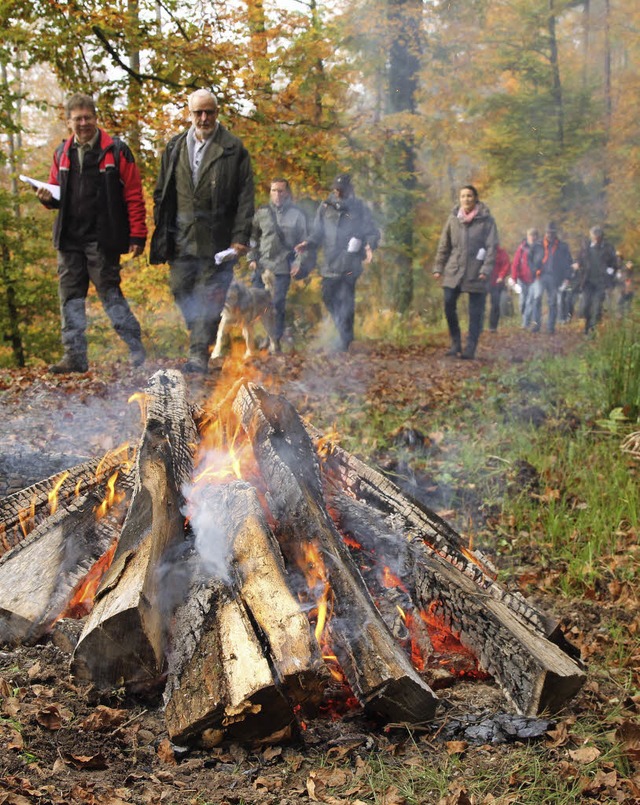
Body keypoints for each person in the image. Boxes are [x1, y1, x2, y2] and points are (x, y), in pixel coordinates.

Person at [35, 93, 147, 373]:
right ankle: (74, 356)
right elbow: (55, 194)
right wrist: (46, 197)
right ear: (68, 122)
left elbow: (134, 194)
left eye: (88, 117)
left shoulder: (117, 151)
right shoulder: (61, 153)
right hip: (69, 238)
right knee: (70, 298)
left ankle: (136, 348)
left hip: (103, 237)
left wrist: (137, 234)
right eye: (77, 119)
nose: (83, 123)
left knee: (110, 294)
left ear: (96, 118)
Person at [150, 89, 254, 374]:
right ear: (190, 114)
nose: (204, 118)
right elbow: (162, 191)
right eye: (198, 113)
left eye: (209, 112)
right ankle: (199, 333)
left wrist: (240, 237)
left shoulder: (233, 148)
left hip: (218, 241)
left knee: (209, 298)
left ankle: (198, 354)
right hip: (181, 238)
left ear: (217, 112)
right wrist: (161, 225)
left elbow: (246, 197)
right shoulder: (174, 147)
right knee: (180, 288)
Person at [296, 173, 380, 352]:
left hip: (351, 264)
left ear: (349, 189)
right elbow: (317, 232)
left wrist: (368, 246)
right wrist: (308, 243)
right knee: (327, 296)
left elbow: (371, 231)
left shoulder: (359, 208)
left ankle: (346, 343)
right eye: (336, 189)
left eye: (341, 189)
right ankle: (345, 335)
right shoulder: (325, 207)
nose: (338, 192)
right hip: (329, 263)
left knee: (346, 300)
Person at [432, 185, 498, 359]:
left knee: (475, 312)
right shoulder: (453, 219)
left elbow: (492, 247)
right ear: (459, 199)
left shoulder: (486, 220)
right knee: (448, 304)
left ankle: (470, 347)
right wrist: (439, 267)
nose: (466, 199)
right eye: (463, 196)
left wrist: (486, 269)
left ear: (476, 198)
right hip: (454, 270)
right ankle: (455, 343)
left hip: (477, 271)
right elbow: (444, 245)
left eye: (469, 196)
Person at [248, 178, 312, 352]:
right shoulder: (262, 212)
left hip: (283, 267)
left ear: (287, 193)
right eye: (274, 190)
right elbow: (253, 237)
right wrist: (251, 258)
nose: (277, 194)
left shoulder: (297, 215)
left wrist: (298, 263)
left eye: (281, 191)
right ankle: (265, 338)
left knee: (277, 304)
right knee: (257, 304)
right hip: (261, 267)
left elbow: (304, 243)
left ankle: (275, 341)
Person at [575, 225, 618, 336]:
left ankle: (592, 330)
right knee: (585, 305)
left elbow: (615, 263)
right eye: (594, 236)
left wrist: (611, 271)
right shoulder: (586, 247)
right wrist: (577, 264)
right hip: (587, 281)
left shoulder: (608, 248)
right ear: (591, 236)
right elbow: (579, 258)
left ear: (601, 237)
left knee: (597, 306)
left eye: (598, 237)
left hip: (601, 282)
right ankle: (587, 326)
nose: (596, 239)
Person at [532, 222, 573, 334]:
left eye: (552, 233)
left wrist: (567, 277)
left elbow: (568, 263)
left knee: (553, 302)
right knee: (537, 299)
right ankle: (536, 324)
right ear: (545, 233)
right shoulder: (537, 245)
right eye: (548, 232)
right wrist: (534, 271)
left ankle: (550, 326)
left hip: (555, 277)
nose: (550, 234)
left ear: (555, 234)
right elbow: (530, 260)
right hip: (540, 276)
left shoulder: (562, 246)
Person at [510, 228, 543, 329]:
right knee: (522, 302)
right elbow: (515, 264)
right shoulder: (522, 248)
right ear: (527, 236)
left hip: (534, 279)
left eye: (534, 236)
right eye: (530, 235)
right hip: (522, 279)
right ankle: (525, 317)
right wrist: (514, 279)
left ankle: (525, 323)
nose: (532, 238)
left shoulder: (540, 249)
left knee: (530, 301)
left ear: (537, 237)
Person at [488, 245, 511, 332]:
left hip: (496, 282)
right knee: (479, 305)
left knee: (495, 304)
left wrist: (501, 276)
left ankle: (492, 327)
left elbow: (506, 265)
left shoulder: (501, 252)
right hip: (484, 281)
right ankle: (478, 327)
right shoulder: (483, 250)